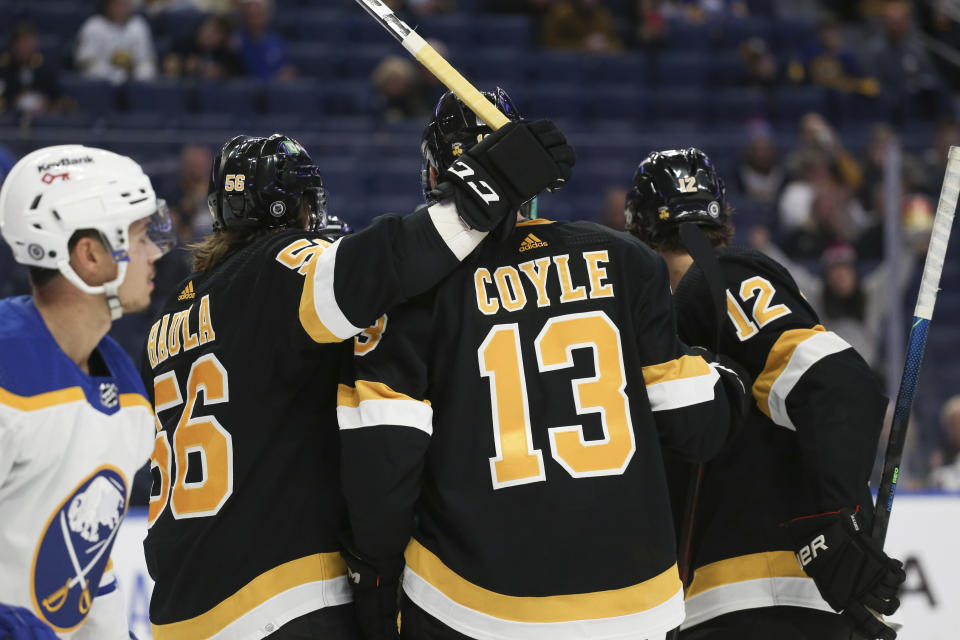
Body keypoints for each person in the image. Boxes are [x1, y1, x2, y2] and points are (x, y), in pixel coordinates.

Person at [336, 89, 748, 640]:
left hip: (475, 601)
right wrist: (729, 381)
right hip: (635, 601)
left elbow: (384, 467)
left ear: (435, 176)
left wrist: (374, 574)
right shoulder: (627, 260)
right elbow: (697, 427)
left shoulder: (414, 291)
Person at [142, 123, 575, 640]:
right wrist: (489, 183)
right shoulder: (279, 269)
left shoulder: (172, 314)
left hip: (177, 609)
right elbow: (383, 262)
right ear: (300, 207)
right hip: (278, 596)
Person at [624, 148, 906, 640]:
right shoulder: (649, 326)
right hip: (721, 606)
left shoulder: (713, 280)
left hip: (764, 598)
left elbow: (838, 384)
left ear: (635, 231)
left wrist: (830, 529)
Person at [0, 144, 174, 638]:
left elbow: (86, 567)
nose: (155, 252)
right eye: (141, 236)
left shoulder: (127, 392)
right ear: (90, 255)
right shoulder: (6, 371)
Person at [75, 0, 158, 84]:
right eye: (118, 4)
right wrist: (115, 74)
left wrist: (135, 75)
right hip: (102, 80)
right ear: (108, 6)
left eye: (126, 4)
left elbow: (145, 59)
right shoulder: (93, 26)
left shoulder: (138, 25)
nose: (123, 8)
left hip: (132, 79)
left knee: (147, 71)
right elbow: (85, 60)